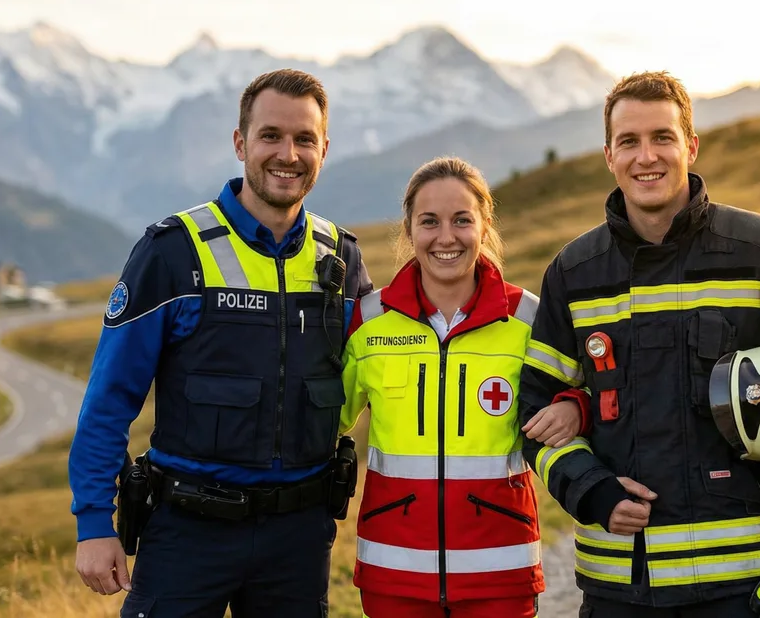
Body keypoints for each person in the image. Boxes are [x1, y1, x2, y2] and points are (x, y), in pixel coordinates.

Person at [518, 71, 760, 617]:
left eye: (662, 137)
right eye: (629, 141)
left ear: (690, 146)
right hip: (619, 590)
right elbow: (535, 408)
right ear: (609, 155)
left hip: (745, 586)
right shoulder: (574, 273)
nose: (645, 156)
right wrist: (591, 489)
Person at [68, 68, 373, 617]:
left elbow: (385, 368)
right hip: (187, 534)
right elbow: (110, 396)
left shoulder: (342, 259)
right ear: (240, 143)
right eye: (271, 136)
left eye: (305, 139)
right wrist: (94, 521)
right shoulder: (173, 251)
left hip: (298, 540)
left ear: (324, 149)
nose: (289, 153)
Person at [338, 156, 590, 618]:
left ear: (485, 224)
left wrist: (576, 405)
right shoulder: (367, 323)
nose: (446, 237)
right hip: (393, 572)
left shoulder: (529, 320)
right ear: (409, 230)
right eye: (429, 222)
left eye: (461, 220)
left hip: (502, 570)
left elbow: (587, 391)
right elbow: (323, 419)